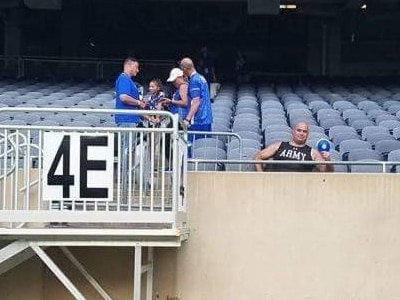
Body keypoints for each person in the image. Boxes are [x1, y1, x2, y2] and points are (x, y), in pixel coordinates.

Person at [114, 57, 146, 200]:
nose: (138, 70)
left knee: (128, 149)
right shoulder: (124, 79)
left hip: (130, 119)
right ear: (130, 66)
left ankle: (125, 178)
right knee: (126, 150)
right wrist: (138, 102)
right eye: (136, 67)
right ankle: (123, 179)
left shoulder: (128, 80)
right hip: (127, 120)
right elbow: (123, 97)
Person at [254, 122, 333, 172]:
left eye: (304, 131)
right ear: (293, 132)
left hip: (301, 188)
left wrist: (328, 161)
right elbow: (258, 157)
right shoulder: (279, 145)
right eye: (299, 130)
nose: (301, 133)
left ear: (307, 135)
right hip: (277, 185)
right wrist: (262, 176)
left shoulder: (313, 153)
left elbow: (327, 174)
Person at [180, 57, 213, 144]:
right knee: (205, 147)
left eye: (181, 69)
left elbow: (196, 102)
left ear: (184, 69)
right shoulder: (201, 78)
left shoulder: (194, 81)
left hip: (199, 120)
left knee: (196, 149)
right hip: (206, 119)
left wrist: (187, 119)